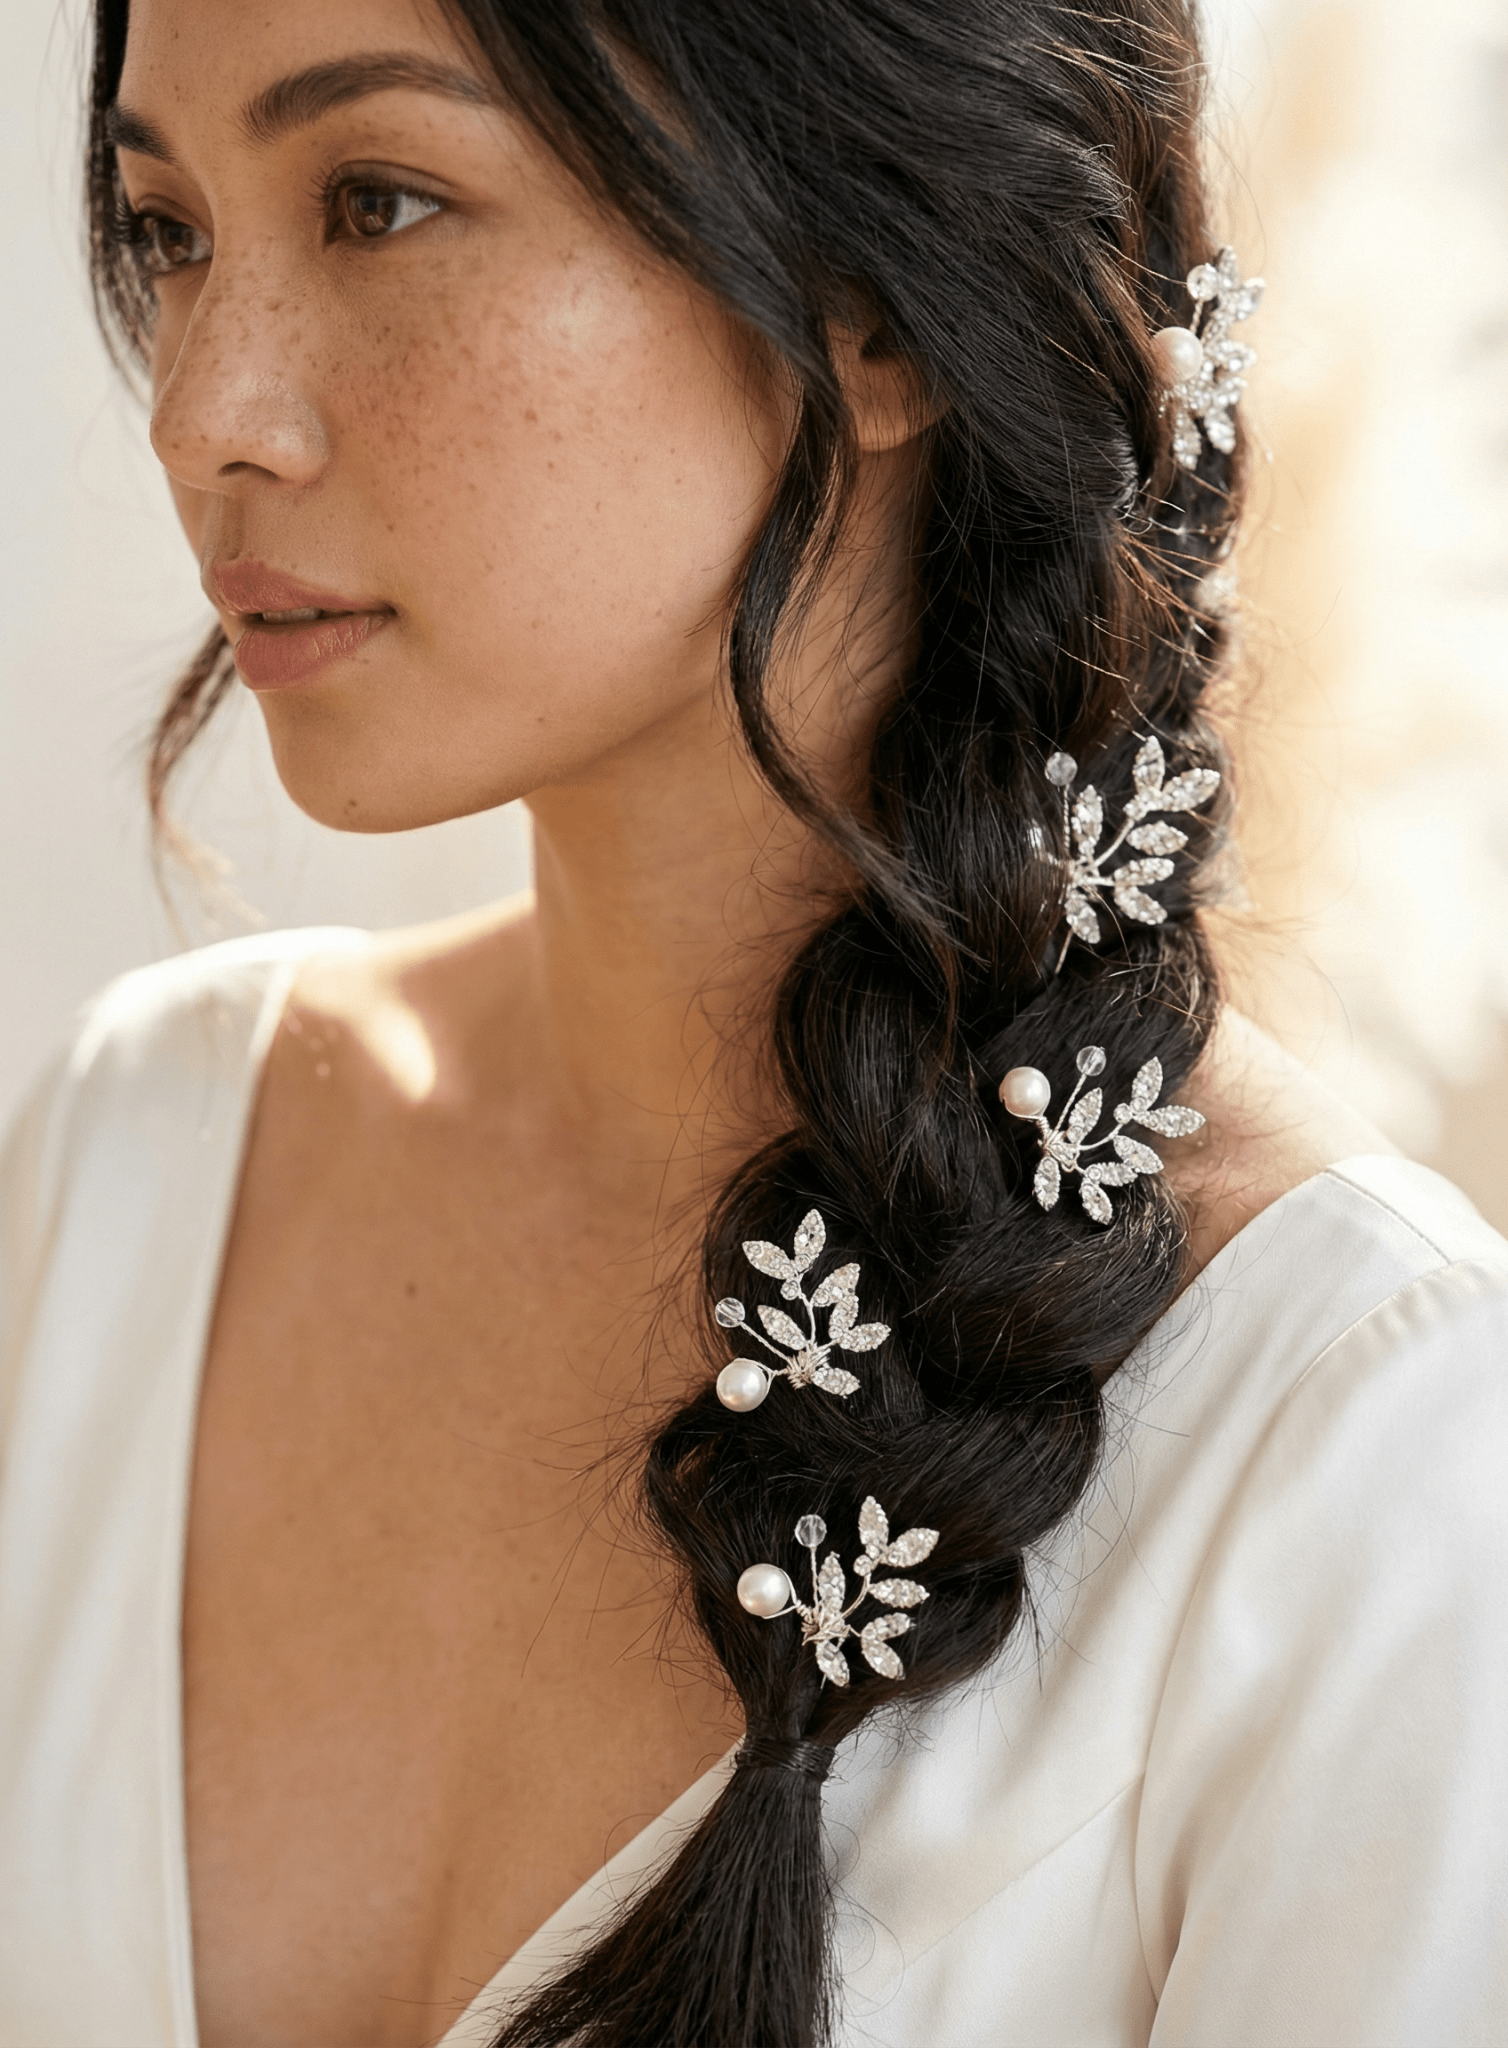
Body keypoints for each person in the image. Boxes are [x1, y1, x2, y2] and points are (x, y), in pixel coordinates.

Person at [2, 0, 1506, 2042]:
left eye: (379, 200)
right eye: (165, 226)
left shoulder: (1363, 1449)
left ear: (879, 300)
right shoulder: (126, 1176)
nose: (203, 414)